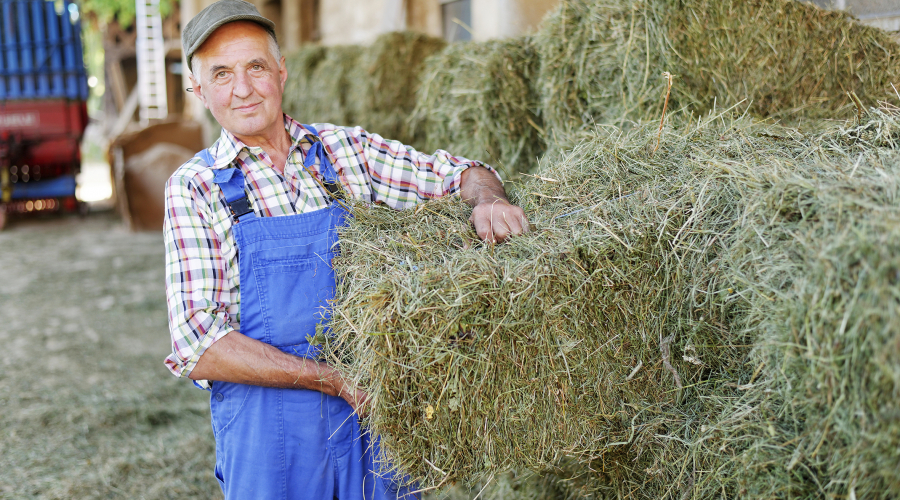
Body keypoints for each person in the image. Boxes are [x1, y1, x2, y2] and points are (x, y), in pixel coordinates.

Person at [164, 1, 528, 498]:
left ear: (282, 71)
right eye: (221, 74)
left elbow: (461, 172)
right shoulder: (196, 188)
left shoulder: (344, 151)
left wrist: (489, 199)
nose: (243, 88)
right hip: (272, 438)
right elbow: (198, 346)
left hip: (372, 427)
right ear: (200, 91)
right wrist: (331, 380)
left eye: (256, 67)